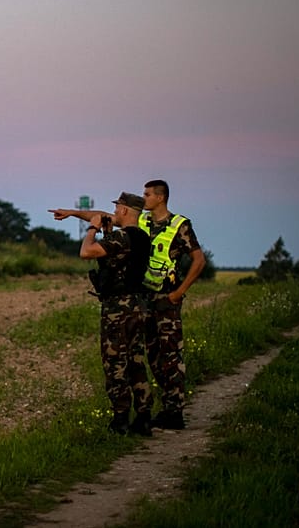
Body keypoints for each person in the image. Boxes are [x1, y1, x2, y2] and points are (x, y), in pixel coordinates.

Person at [75, 192, 154, 436]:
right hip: (138, 305)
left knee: (115, 363)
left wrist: (92, 229)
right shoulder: (141, 237)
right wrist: (73, 213)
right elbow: (121, 257)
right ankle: (143, 416)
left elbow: (86, 252)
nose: (116, 211)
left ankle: (120, 419)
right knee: (136, 361)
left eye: (118, 207)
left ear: (126, 211)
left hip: (118, 308)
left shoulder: (122, 237)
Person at [138, 179, 205, 430]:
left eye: (147, 194)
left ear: (160, 197)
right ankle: (168, 408)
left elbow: (199, 260)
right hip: (145, 300)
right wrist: (73, 214)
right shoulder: (142, 221)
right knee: (153, 356)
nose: (143, 198)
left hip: (167, 301)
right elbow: (111, 216)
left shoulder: (180, 225)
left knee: (171, 355)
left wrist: (179, 292)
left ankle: (175, 412)